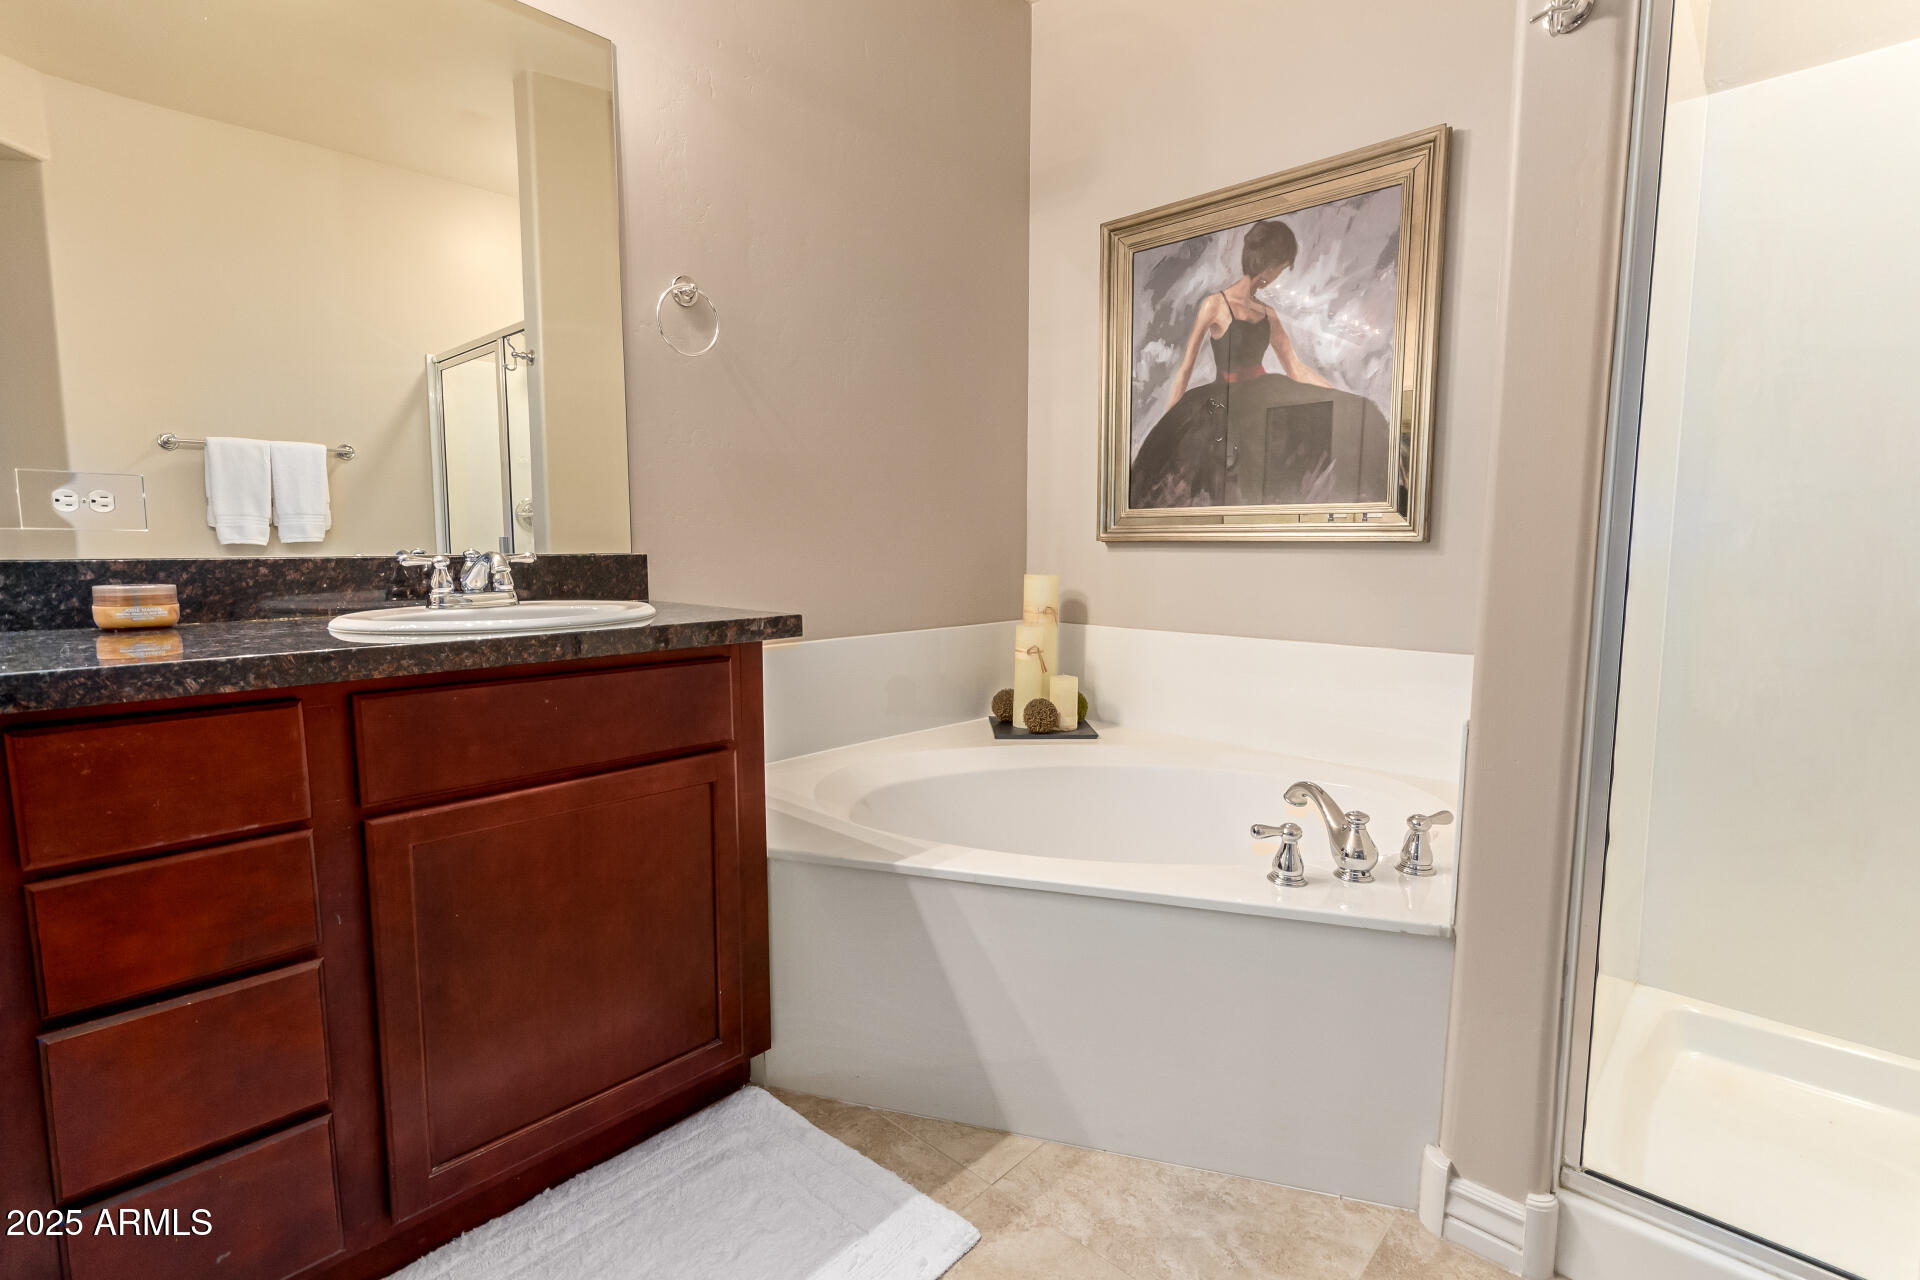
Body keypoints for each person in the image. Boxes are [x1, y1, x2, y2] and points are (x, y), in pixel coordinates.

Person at [1130, 219, 1332, 509]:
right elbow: (1186, 367)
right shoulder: (1215, 304)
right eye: (1281, 267)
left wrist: (1337, 395)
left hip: (1262, 398)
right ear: (1270, 266)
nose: (1278, 275)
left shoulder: (1269, 314)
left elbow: (1296, 368)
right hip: (1220, 403)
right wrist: (1170, 424)